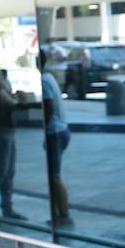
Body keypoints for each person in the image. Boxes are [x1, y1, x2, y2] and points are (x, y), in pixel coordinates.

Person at [0, 49, 40, 224]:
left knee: (6, 172)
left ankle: (4, 208)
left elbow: (7, 101)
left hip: (0, 131)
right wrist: (30, 103)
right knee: (0, 173)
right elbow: (10, 105)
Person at [38, 49, 74, 228]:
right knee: (54, 175)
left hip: (55, 133)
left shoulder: (43, 81)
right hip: (61, 130)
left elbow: (49, 108)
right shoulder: (49, 77)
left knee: (54, 176)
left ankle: (65, 215)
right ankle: (58, 214)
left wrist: (45, 130)